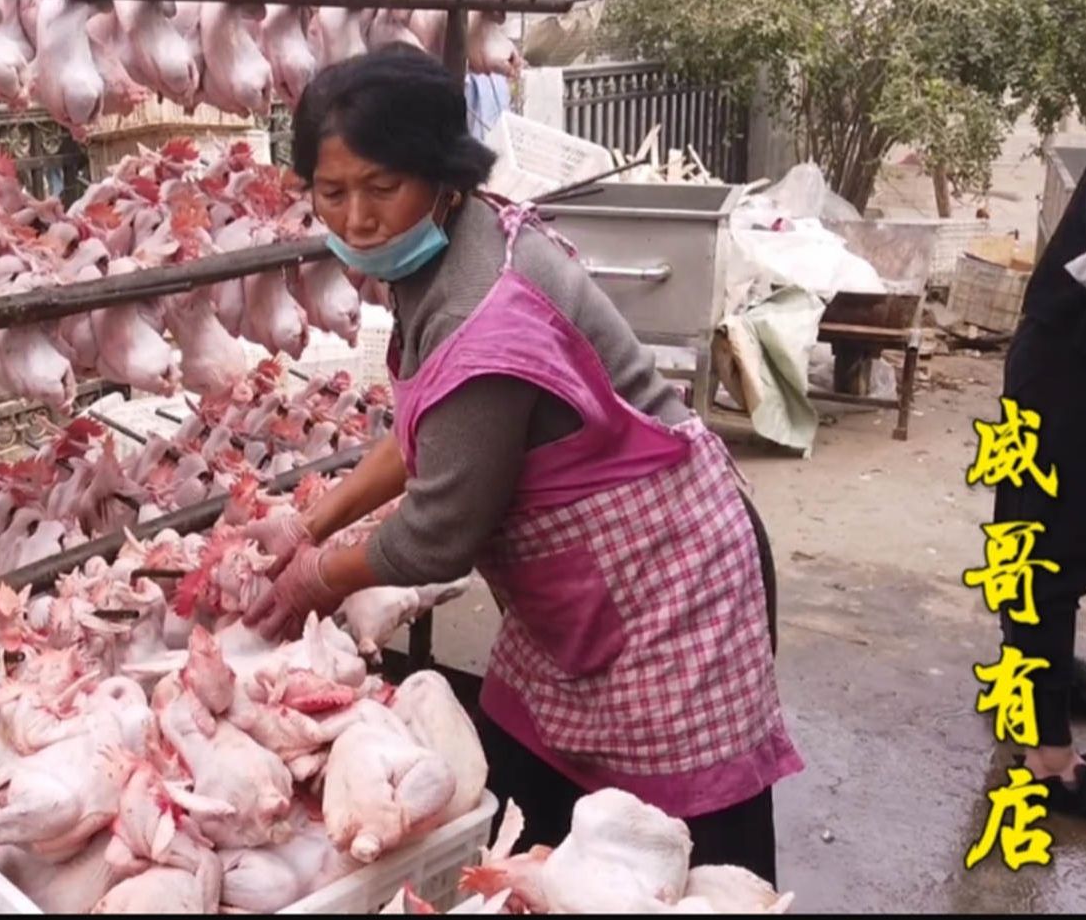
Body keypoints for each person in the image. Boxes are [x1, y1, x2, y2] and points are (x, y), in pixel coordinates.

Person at [238, 44, 802, 883]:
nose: (355, 219)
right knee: (525, 814)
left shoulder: (480, 309)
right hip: (581, 584)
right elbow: (430, 429)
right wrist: (308, 518)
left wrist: (313, 578)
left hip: (668, 587)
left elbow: (433, 540)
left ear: (443, 175)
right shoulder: (445, 243)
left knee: (687, 860)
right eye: (332, 192)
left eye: (381, 187)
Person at [995, 166, 1086, 807]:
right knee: (1046, 552)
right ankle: (1049, 752)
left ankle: (1035, 694)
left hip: (1060, 341)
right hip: (1068, 361)